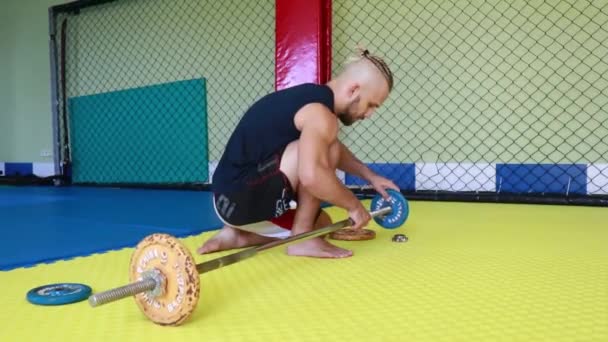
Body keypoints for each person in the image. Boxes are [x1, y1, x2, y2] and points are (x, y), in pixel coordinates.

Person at [197, 48, 398, 258]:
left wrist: (370, 176)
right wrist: (354, 206)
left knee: (323, 224)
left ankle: (238, 236)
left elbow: (332, 146)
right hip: (238, 199)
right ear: (353, 91)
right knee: (323, 155)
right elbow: (312, 176)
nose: (370, 114)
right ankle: (302, 238)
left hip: (227, 199)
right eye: (371, 105)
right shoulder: (321, 116)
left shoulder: (312, 98)